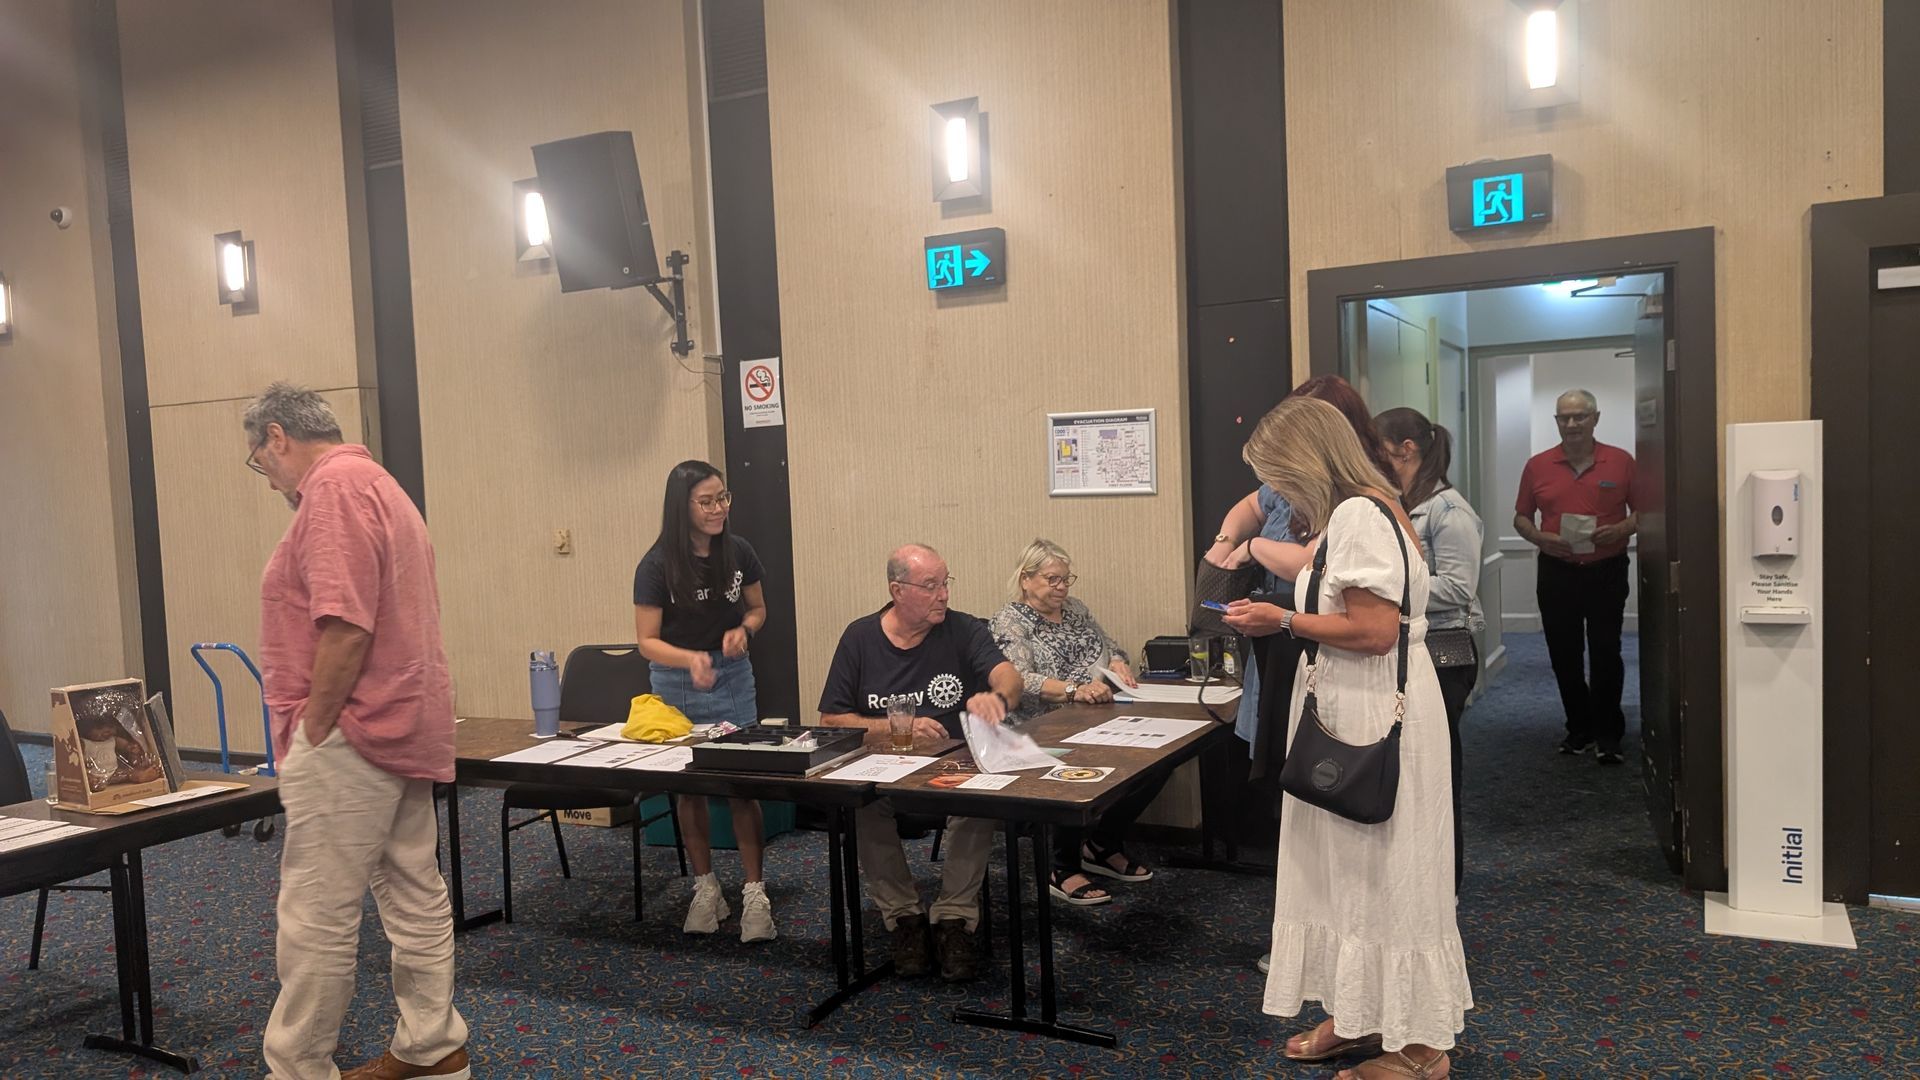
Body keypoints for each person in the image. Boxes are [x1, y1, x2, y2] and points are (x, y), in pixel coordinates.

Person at [1223, 396, 1471, 1078]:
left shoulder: (1360, 514)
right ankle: (1362, 1012)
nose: (1277, 491)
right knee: (1349, 875)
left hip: (1371, 709)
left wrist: (1283, 620)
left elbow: (1374, 630)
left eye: (1278, 475)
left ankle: (1419, 1047)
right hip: (1354, 707)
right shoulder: (1364, 508)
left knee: (1385, 872)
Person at [246, 383, 468, 1080]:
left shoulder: (334, 490)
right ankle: (434, 1048)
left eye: (261, 461)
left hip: (351, 730)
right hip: (401, 721)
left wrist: (312, 731)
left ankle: (299, 1066)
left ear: (278, 437)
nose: (269, 477)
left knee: (316, 909)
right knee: (412, 890)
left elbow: (344, 625)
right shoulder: (378, 482)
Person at [819, 544, 1022, 982]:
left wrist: (997, 697)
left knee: (979, 799)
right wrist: (890, 729)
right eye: (930, 585)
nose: (943, 594)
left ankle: (954, 920)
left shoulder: (963, 629)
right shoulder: (859, 638)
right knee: (861, 805)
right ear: (897, 590)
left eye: (945, 582)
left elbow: (1010, 675)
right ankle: (904, 919)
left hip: (952, 766)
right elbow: (831, 718)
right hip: (886, 767)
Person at [633, 460, 774, 943]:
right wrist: (690, 659)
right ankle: (705, 885)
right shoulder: (656, 565)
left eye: (723, 498)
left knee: (740, 783)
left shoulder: (739, 551)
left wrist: (744, 629)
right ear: (682, 507)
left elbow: (758, 608)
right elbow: (646, 640)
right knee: (687, 786)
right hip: (676, 681)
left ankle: (755, 892)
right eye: (707, 501)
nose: (719, 509)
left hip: (732, 675)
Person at [989, 539, 1160, 907]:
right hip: (1040, 723)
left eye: (1067, 579)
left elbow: (1111, 645)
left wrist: (1117, 661)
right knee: (1080, 765)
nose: (1062, 588)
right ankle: (1060, 868)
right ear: (1026, 579)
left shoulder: (1076, 609)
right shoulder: (1010, 621)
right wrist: (1073, 690)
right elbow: (1018, 678)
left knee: (1157, 762)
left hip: (1094, 713)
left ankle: (1101, 845)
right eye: (1053, 580)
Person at [1377, 407, 1484, 893]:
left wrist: (1389, 589)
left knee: (1440, 773)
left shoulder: (1449, 511)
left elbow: (1459, 589)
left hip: (1444, 653)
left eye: (1379, 449)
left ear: (1407, 449)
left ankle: (1447, 888)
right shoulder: (1396, 502)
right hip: (1408, 649)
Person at [1514, 389, 1637, 765]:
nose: (1571, 424)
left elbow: (1645, 513)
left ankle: (1608, 732)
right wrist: (1538, 537)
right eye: (1564, 418)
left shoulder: (1621, 462)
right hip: (1557, 571)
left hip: (1606, 570)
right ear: (1556, 422)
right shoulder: (1538, 466)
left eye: (1580, 416)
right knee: (1564, 654)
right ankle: (1578, 727)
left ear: (1595, 418)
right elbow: (1520, 517)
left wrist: (1622, 530)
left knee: (1605, 652)